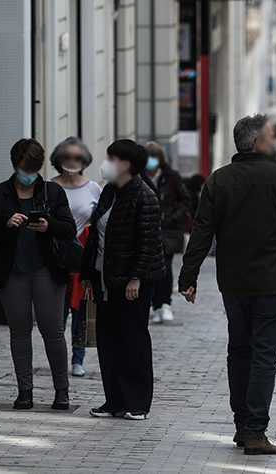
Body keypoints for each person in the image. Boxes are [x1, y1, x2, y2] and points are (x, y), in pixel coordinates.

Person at [178, 114, 276, 455]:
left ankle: (243, 426)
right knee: (264, 357)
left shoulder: (218, 181)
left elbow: (201, 233)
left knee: (239, 352)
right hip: (272, 285)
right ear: (258, 143)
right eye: (272, 137)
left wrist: (188, 277)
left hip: (234, 284)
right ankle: (255, 432)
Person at [0, 139, 77, 411]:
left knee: (52, 331)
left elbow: (69, 229)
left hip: (47, 272)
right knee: (19, 332)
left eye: (33, 168)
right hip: (12, 274)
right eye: (24, 168)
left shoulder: (52, 192)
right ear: (14, 165)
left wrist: (49, 225)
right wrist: (6, 225)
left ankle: (62, 392)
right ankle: (25, 392)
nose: (28, 174)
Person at [80, 139, 165, 421]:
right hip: (106, 279)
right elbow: (95, 237)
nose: (105, 164)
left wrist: (136, 278)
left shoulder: (145, 196)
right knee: (108, 339)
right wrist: (89, 274)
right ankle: (113, 400)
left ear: (125, 165)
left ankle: (137, 402)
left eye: (111, 158)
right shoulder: (109, 192)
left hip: (132, 283)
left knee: (133, 340)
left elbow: (148, 243)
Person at [51, 137, 101, 378]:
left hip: (83, 255)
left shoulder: (93, 189)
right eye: (67, 156)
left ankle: (78, 358)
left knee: (81, 310)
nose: (72, 161)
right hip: (56, 256)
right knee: (56, 312)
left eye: (77, 157)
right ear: (58, 159)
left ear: (84, 160)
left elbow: (101, 224)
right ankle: (58, 357)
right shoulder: (48, 187)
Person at [143, 142, 191, 324]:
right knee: (150, 269)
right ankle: (155, 306)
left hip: (169, 230)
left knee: (165, 267)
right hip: (148, 229)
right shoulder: (140, 176)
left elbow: (185, 199)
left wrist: (173, 217)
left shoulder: (171, 176)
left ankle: (165, 304)